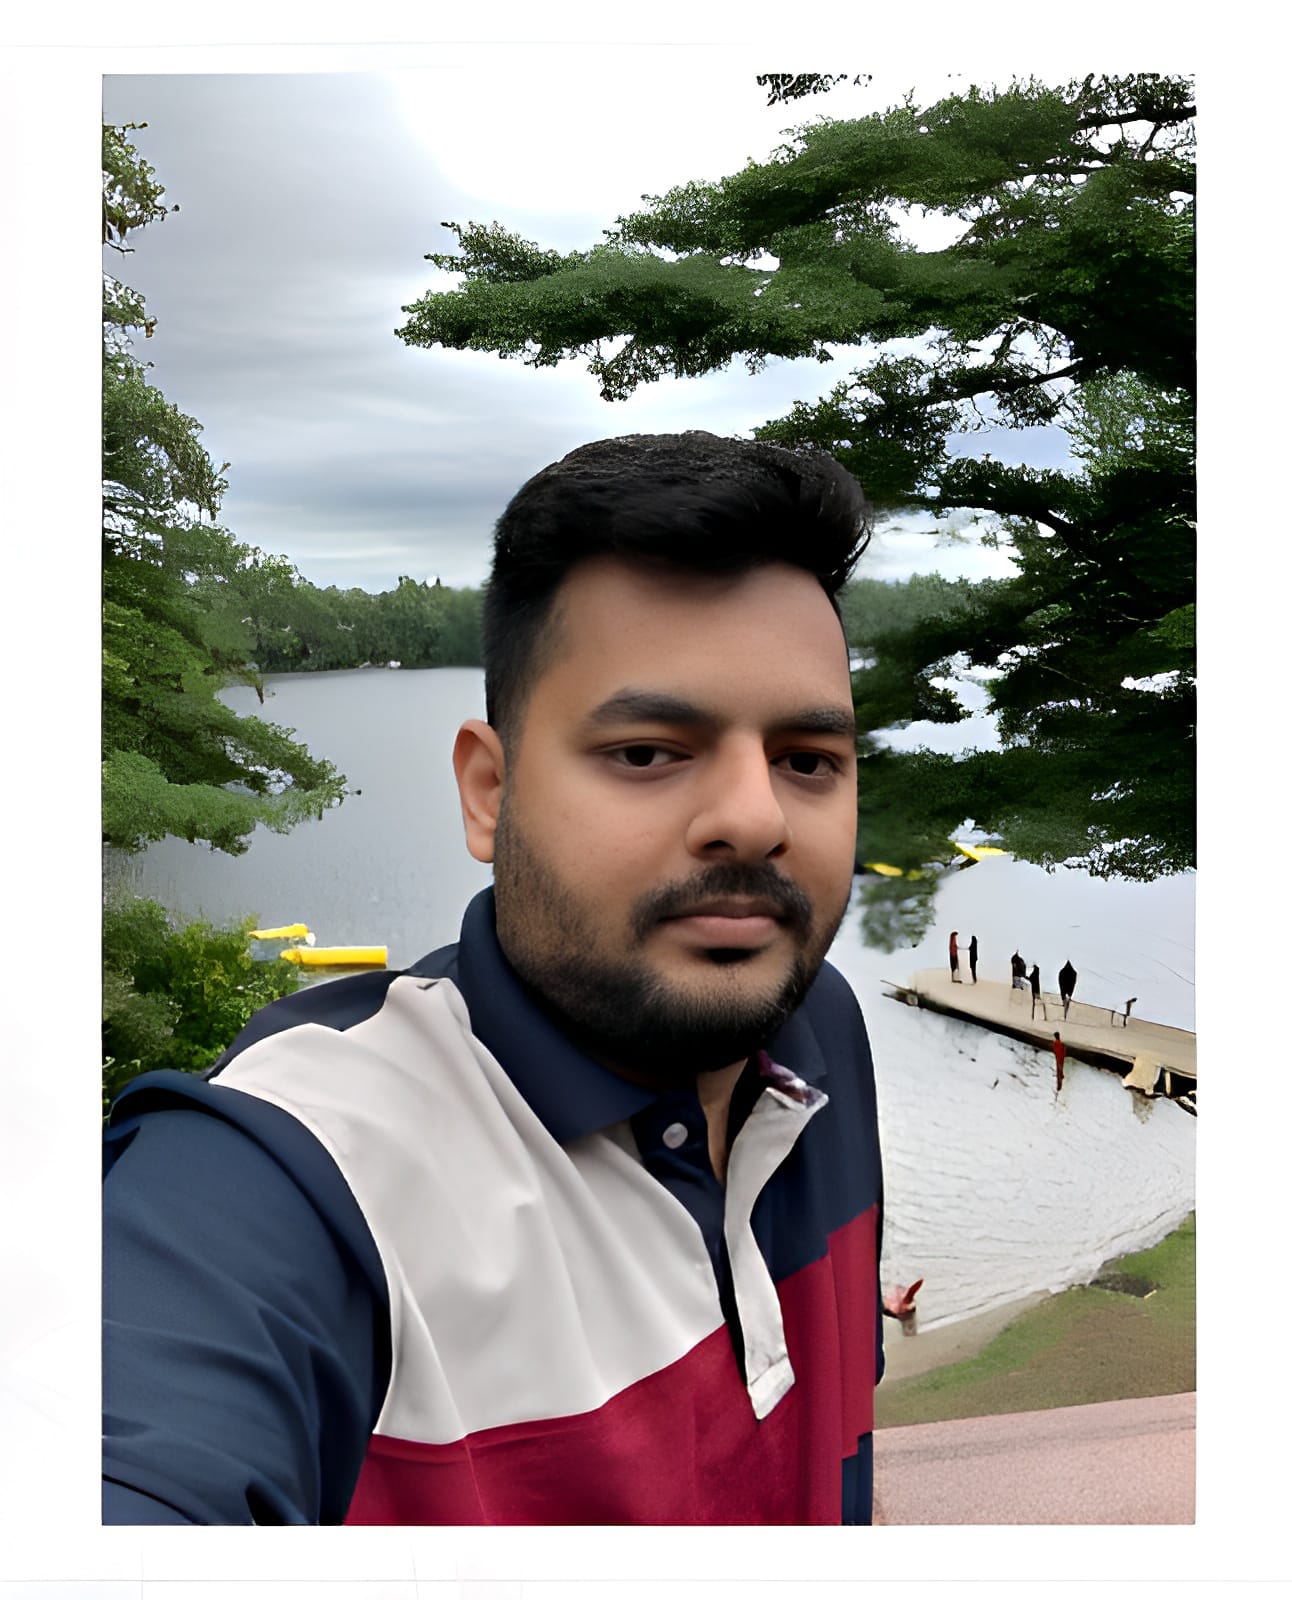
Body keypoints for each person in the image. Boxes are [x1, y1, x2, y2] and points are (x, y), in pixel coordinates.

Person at [101, 432, 885, 1526]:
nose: (755, 818)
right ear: (488, 791)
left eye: (806, 761)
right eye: (648, 751)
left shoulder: (815, 1033)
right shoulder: (296, 1178)